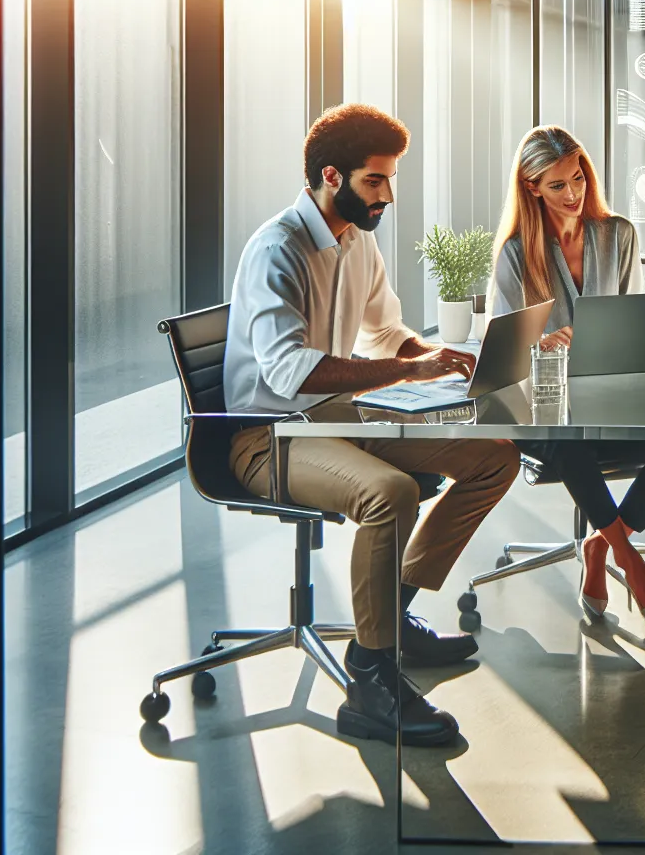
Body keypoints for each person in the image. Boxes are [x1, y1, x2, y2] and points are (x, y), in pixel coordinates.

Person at [223, 103, 520, 748]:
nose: (388, 194)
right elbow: (287, 373)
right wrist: (402, 376)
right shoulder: (280, 249)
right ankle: (372, 679)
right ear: (333, 176)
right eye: (376, 181)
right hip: (268, 438)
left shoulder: (358, 242)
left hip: (335, 422)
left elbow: (384, 333)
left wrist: (433, 358)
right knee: (392, 492)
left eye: (390, 180)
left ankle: (391, 610)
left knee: (495, 455)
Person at [490, 126, 645, 627]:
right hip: (548, 405)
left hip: (614, 394)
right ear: (532, 189)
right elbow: (503, 354)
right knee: (570, 442)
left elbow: (638, 322)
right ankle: (629, 560)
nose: (573, 195)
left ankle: (601, 542)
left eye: (578, 179)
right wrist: (540, 344)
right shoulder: (516, 255)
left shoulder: (618, 235)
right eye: (557, 186)